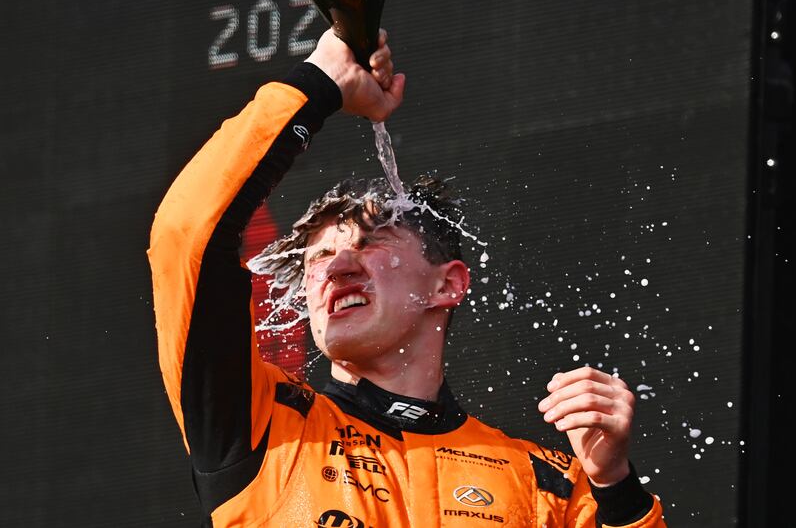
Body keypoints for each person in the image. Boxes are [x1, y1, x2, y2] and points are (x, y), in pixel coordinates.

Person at [148, 28, 666, 528]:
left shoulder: (545, 486)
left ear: (448, 285)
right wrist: (318, 83)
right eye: (318, 257)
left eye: (370, 244)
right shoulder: (262, 422)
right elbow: (187, 235)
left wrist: (615, 489)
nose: (337, 266)